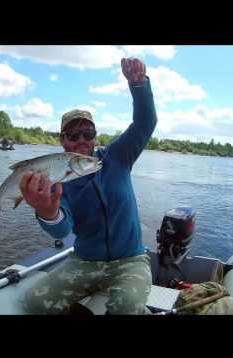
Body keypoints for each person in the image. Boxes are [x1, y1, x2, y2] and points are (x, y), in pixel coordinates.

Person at [20, 57, 158, 314]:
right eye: (73, 135)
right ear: (63, 141)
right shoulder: (56, 178)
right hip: (85, 261)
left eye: (88, 133)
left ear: (95, 136)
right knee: (34, 302)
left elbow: (144, 123)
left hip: (131, 261)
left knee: (126, 306)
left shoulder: (118, 156)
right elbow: (62, 228)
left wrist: (139, 87)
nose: (82, 139)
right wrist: (47, 213)